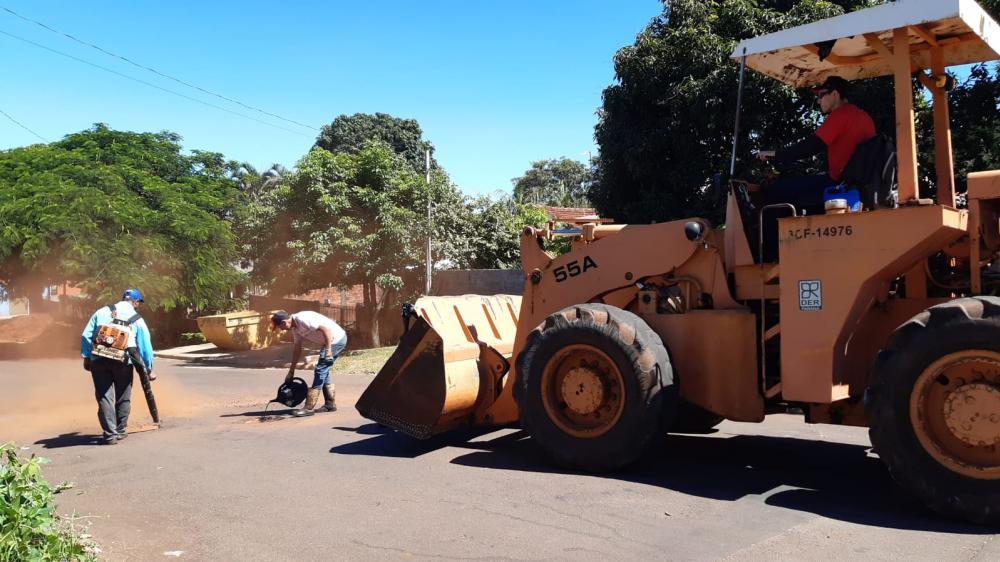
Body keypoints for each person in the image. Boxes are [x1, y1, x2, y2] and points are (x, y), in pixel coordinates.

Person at [757, 75, 876, 215]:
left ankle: (772, 236)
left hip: (840, 184)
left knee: (775, 190)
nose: (818, 100)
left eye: (821, 95)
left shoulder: (840, 115)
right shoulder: (864, 116)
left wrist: (776, 155)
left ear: (835, 94)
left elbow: (812, 146)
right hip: (858, 185)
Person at [81, 289, 155, 445]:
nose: (138, 307)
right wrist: (148, 368)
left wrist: (87, 357)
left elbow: (86, 336)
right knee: (123, 395)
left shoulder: (101, 311)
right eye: (138, 303)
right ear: (135, 301)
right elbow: (145, 345)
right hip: (124, 362)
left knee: (104, 396)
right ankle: (121, 431)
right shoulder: (137, 319)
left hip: (99, 359)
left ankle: (110, 435)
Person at [271, 310, 347, 417]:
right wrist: (291, 371)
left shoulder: (302, 319)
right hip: (329, 342)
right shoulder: (295, 329)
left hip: (336, 340)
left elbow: (326, 330)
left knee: (320, 370)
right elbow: (297, 349)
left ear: (284, 322)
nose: (281, 329)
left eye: (280, 327)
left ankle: (309, 407)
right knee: (324, 371)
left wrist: (328, 351)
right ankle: (330, 404)